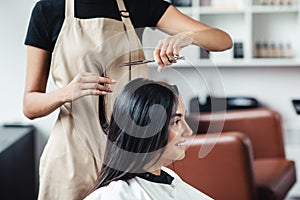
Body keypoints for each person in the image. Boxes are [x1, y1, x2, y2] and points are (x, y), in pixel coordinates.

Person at [23, 0, 232, 199]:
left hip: (130, 154)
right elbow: (30, 106)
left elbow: (222, 40)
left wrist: (186, 37)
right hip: (71, 155)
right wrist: (66, 92)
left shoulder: (137, 4)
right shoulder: (49, 10)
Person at [84, 78, 213, 200]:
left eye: (184, 119)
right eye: (176, 122)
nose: (188, 131)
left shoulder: (169, 178)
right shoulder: (118, 194)